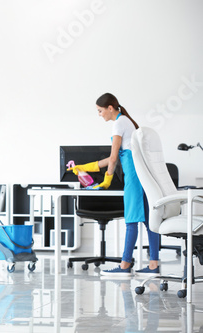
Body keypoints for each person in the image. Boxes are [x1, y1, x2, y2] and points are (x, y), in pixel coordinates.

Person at [69, 92, 159, 277]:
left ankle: (125, 265)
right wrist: (84, 167)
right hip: (141, 173)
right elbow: (113, 158)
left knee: (132, 220)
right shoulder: (127, 121)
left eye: (100, 111)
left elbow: (113, 158)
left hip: (134, 175)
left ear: (110, 108)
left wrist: (107, 180)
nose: (99, 114)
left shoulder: (119, 123)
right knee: (151, 221)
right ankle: (153, 264)